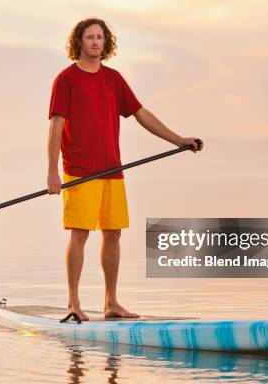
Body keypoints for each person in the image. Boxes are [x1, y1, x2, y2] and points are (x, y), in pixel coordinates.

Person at [47, 18, 203, 320]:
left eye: (100, 38)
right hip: (80, 171)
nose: (95, 42)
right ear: (79, 41)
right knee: (79, 234)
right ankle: (73, 303)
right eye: (90, 37)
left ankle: (111, 302)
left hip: (112, 169)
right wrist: (52, 172)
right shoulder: (65, 79)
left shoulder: (113, 79)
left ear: (106, 43)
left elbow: (141, 114)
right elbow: (55, 128)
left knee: (113, 234)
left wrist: (178, 140)